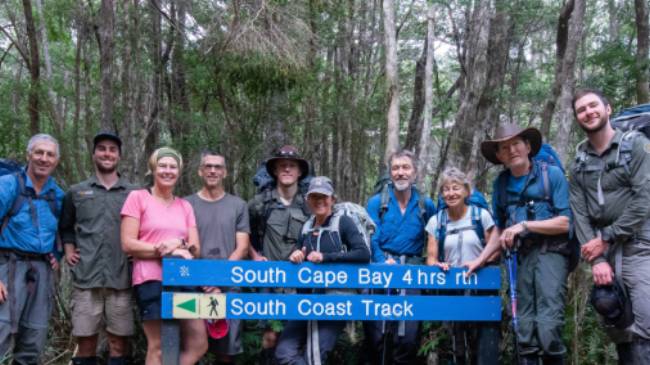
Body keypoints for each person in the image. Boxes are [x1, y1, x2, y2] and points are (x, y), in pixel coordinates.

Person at [569, 88, 650, 364]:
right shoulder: (580, 162)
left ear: (608, 108)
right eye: (581, 110)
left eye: (593, 106)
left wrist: (607, 237)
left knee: (643, 327)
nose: (588, 112)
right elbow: (579, 214)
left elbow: (644, 200)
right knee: (616, 321)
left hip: (640, 247)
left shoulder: (635, 145)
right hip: (605, 253)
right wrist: (598, 258)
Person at [480, 124, 570, 365]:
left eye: (516, 144)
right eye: (504, 147)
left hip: (551, 255)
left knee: (548, 330)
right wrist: (479, 260)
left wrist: (525, 226)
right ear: (498, 156)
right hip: (519, 260)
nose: (511, 150)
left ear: (528, 146)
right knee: (524, 331)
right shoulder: (500, 185)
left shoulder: (551, 175)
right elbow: (499, 229)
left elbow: (565, 223)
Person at [121, 147, 207, 365]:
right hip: (151, 280)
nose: (167, 171)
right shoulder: (138, 198)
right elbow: (128, 243)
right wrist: (165, 250)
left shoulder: (184, 205)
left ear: (179, 171)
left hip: (184, 281)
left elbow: (195, 248)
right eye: (162, 166)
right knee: (158, 347)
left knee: (198, 343)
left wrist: (179, 244)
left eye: (172, 166)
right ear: (153, 168)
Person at [59, 132, 136, 365]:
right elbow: (66, 227)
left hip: (121, 278)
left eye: (112, 149)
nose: (107, 153)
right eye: (102, 148)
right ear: (93, 154)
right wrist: (69, 250)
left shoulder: (135, 193)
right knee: (86, 343)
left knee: (118, 343)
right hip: (86, 278)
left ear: (119, 156)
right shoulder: (77, 192)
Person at [275, 176, 370, 364]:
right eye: (314, 197)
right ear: (308, 200)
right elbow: (301, 254)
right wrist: (296, 256)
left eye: (324, 196)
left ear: (332, 199)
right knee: (283, 353)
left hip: (336, 301)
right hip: (307, 302)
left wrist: (326, 257)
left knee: (315, 357)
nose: (319, 201)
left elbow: (363, 254)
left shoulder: (343, 222)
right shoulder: (306, 227)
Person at [364, 149, 436, 364]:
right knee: (377, 332)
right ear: (390, 172)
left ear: (415, 173)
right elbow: (370, 235)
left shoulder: (425, 205)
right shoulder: (377, 202)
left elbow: (434, 236)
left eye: (405, 167)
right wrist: (381, 261)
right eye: (396, 168)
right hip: (382, 267)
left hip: (412, 270)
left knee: (408, 335)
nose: (400, 172)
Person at [425, 167, 500, 365]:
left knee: (480, 341)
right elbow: (430, 259)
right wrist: (438, 265)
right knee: (454, 342)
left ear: (466, 191)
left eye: (456, 188)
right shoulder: (436, 221)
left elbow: (495, 249)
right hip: (451, 288)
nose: (451, 193)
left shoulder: (480, 216)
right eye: (446, 189)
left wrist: (480, 263)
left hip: (480, 286)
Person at [0, 133, 64, 364]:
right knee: (1, 330)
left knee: (33, 338)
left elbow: (63, 232)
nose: (44, 159)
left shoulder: (57, 196)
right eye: (39, 152)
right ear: (29, 155)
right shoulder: (7, 186)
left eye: (50, 154)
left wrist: (58, 255)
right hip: (7, 268)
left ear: (56, 160)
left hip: (41, 272)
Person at [185, 150, 250, 363]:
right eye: (208, 166)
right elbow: (183, 247)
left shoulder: (238, 205)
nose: (213, 170)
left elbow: (242, 247)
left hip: (228, 284)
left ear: (225, 172)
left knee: (226, 354)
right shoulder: (186, 204)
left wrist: (219, 280)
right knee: (194, 347)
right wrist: (203, 280)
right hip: (194, 286)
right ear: (200, 171)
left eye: (218, 167)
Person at [248, 145, 311, 263]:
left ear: (299, 172)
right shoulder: (259, 204)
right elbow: (242, 234)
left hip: (300, 276)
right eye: (282, 165)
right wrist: (254, 256)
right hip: (268, 275)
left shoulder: (309, 206)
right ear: (275, 171)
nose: (287, 169)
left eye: (292, 166)